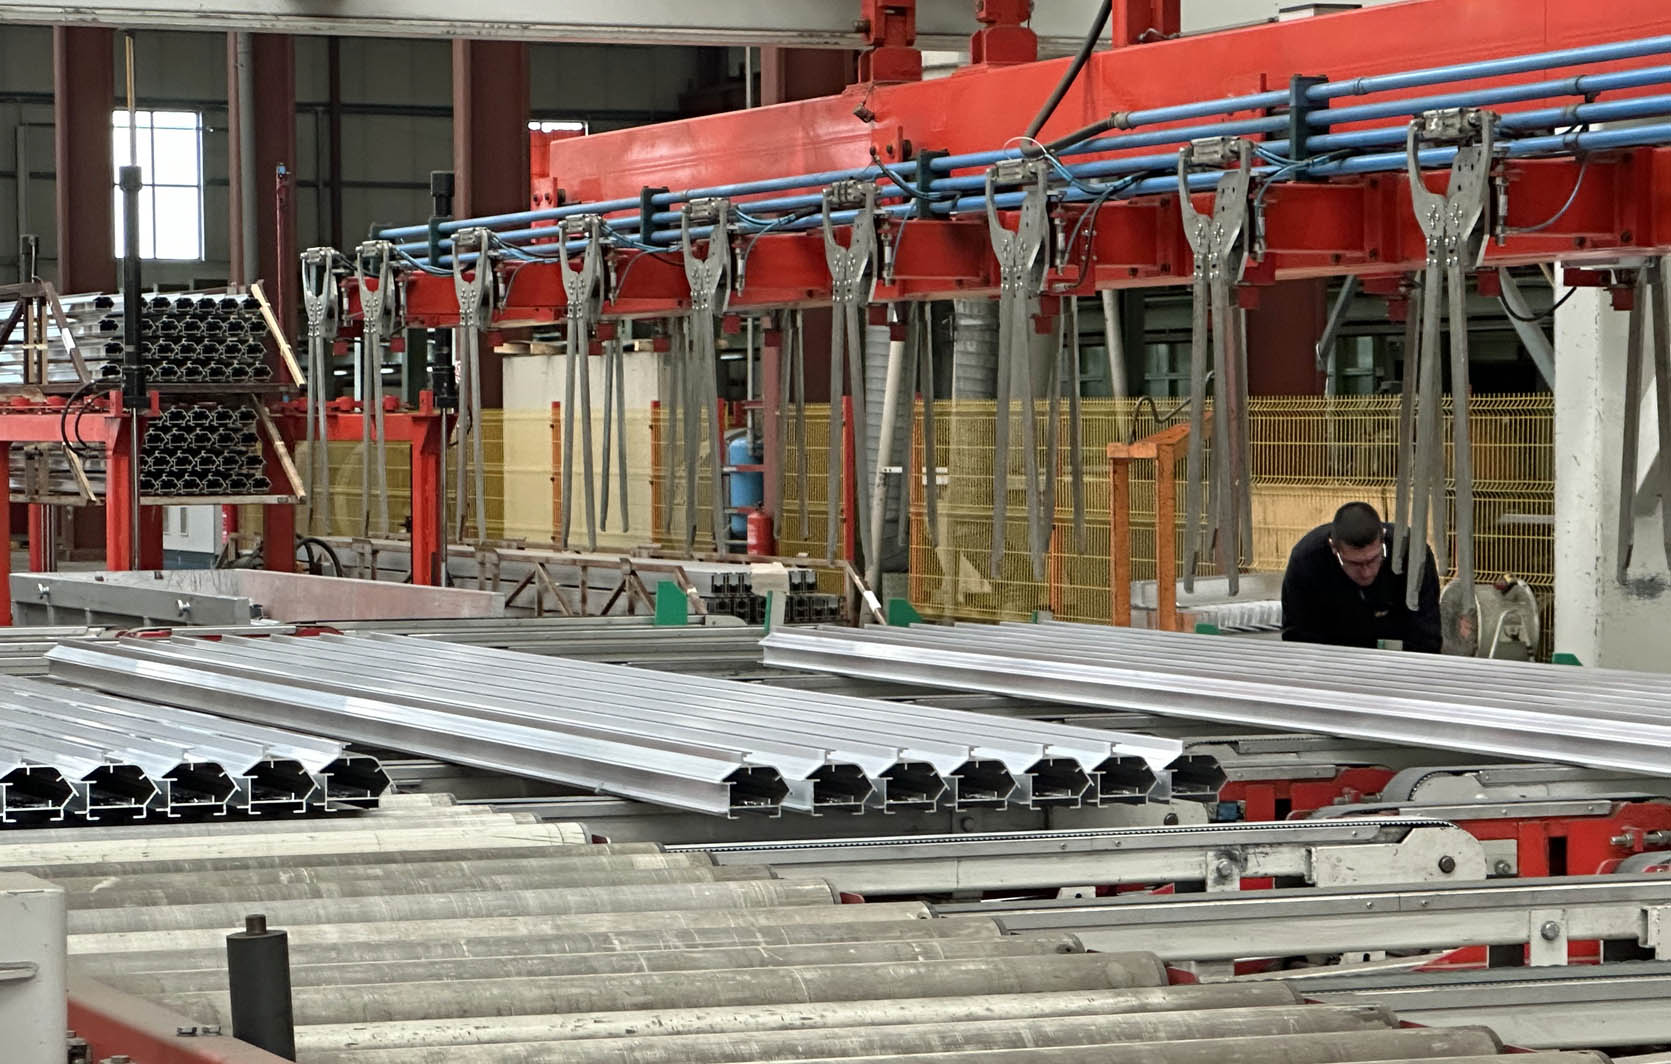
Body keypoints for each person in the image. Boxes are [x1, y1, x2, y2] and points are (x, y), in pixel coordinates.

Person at [1280, 501, 1440, 653]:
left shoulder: (1412, 554)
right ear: (1334, 548)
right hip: (1330, 650)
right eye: (1355, 564)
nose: (1366, 572)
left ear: (1383, 539)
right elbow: (1298, 639)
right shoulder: (1306, 562)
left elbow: (1426, 636)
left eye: (1374, 559)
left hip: (1397, 649)